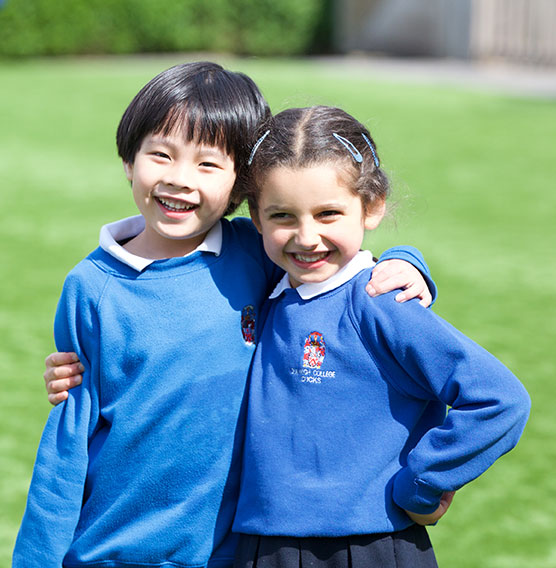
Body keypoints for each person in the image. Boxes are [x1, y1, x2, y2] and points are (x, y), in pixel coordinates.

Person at [14, 63, 435, 568]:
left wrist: (406, 261)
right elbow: (67, 442)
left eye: (207, 164)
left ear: (242, 187)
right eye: (161, 154)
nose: (178, 179)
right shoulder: (91, 288)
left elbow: (335, 259)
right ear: (129, 159)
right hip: (116, 551)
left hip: (238, 553)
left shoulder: (258, 251)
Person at [230, 106, 531, 568]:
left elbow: (500, 400)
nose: (306, 237)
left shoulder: (380, 301)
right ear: (256, 217)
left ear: (372, 206)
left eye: (328, 213)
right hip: (262, 545)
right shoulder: (268, 286)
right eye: (282, 216)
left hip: (370, 546)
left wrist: (422, 484)